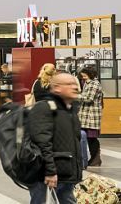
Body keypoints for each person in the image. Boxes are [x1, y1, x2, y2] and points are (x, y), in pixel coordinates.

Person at [27, 72, 83, 204]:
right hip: (47, 177)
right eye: (69, 84)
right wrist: (50, 171)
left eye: (75, 84)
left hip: (66, 175)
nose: (75, 87)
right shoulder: (44, 108)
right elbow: (42, 142)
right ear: (57, 88)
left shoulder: (71, 110)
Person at [78, 65, 103, 166]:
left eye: (84, 74)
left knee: (92, 137)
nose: (82, 76)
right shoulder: (87, 83)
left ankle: (96, 158)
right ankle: (93, 158)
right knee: (88, 137)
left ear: (89, 74)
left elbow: (89, 99)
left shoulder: (94, 84)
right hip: (86, 115)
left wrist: (76, 96)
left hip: (91, 115)